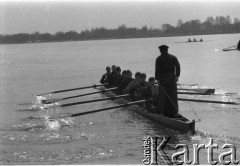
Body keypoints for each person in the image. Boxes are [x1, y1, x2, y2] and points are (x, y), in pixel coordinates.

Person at [155, 45, 180, 118]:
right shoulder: (173, 57)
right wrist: (177, 76)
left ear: (160, 51)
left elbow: (157, 70)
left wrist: (157, 79)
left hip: (163, 79)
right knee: (173, 96)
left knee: (162, 96)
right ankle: (175, 112)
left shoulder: (159, 59)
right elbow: (178, 67)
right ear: (167, 50)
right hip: (172, 78)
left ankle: (161, 112)